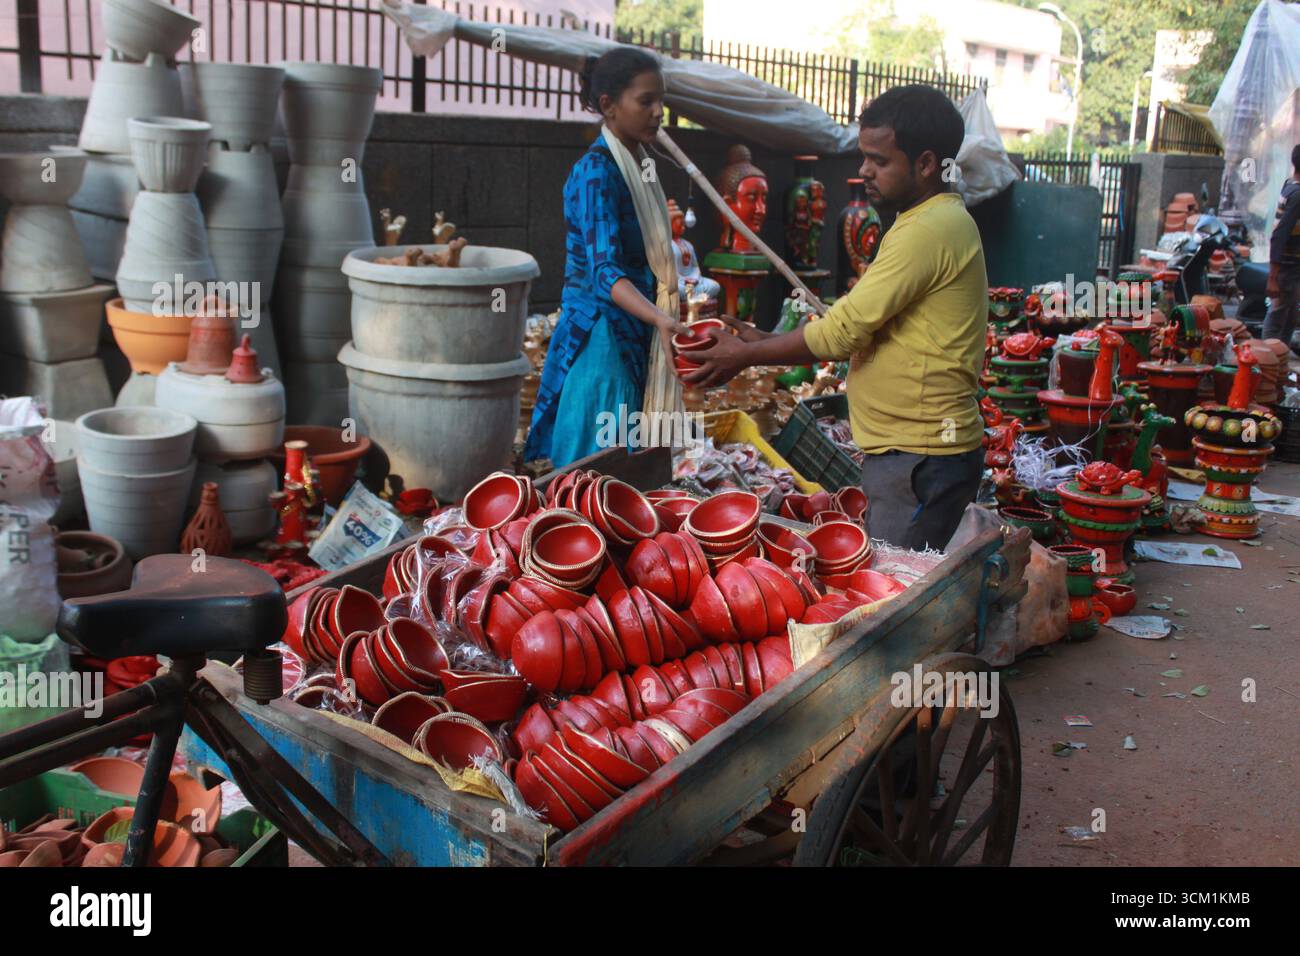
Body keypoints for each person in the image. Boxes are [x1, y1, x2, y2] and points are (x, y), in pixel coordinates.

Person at [686, 84, 988, 552]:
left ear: (927, 164)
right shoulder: (926, 221)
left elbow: (843, 332)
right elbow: (864, 325)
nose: (863, 170)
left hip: (921, 455)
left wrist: (747, 355)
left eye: (879, 161)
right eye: (864, 156)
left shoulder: (928, 229)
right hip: (915, 453)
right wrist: (766, 338)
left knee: (894, 594)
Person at [524, 48, 688, 468]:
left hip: (633, 327)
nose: (658, 112)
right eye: (646, 101)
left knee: (625, 460)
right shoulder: (596, 173)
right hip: (604, 337)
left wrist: (662, 308)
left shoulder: (640, 163)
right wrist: (658, 317)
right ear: (607, 106)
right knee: (599, 463)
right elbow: (605, 273)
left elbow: (650, 259)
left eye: (661, 101)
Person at [1263, 144, 1300, 351]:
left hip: (1292, 267)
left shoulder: (1290, 185)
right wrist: (1273, 277)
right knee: (1278, 317)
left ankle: (1279, 361)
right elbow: (1279, 235)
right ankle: (1268, 361)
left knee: (1290, 317)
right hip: (1286, 267)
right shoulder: (1297, 195)